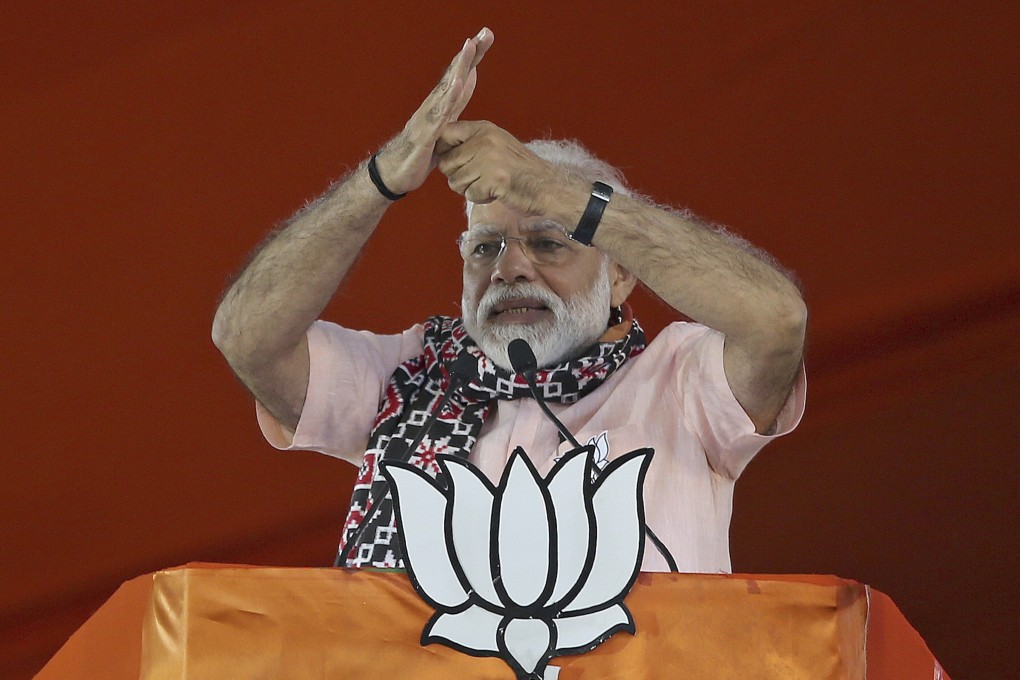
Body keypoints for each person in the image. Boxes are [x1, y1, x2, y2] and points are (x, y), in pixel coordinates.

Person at [212, 28, 807, 573]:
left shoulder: (683, 380)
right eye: (484, 247)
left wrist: (552, 188)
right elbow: (247, 338)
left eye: (548, 243)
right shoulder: (408, 376)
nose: (508, 268)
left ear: (621, 275)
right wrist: (384, 176)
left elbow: (777, 320)